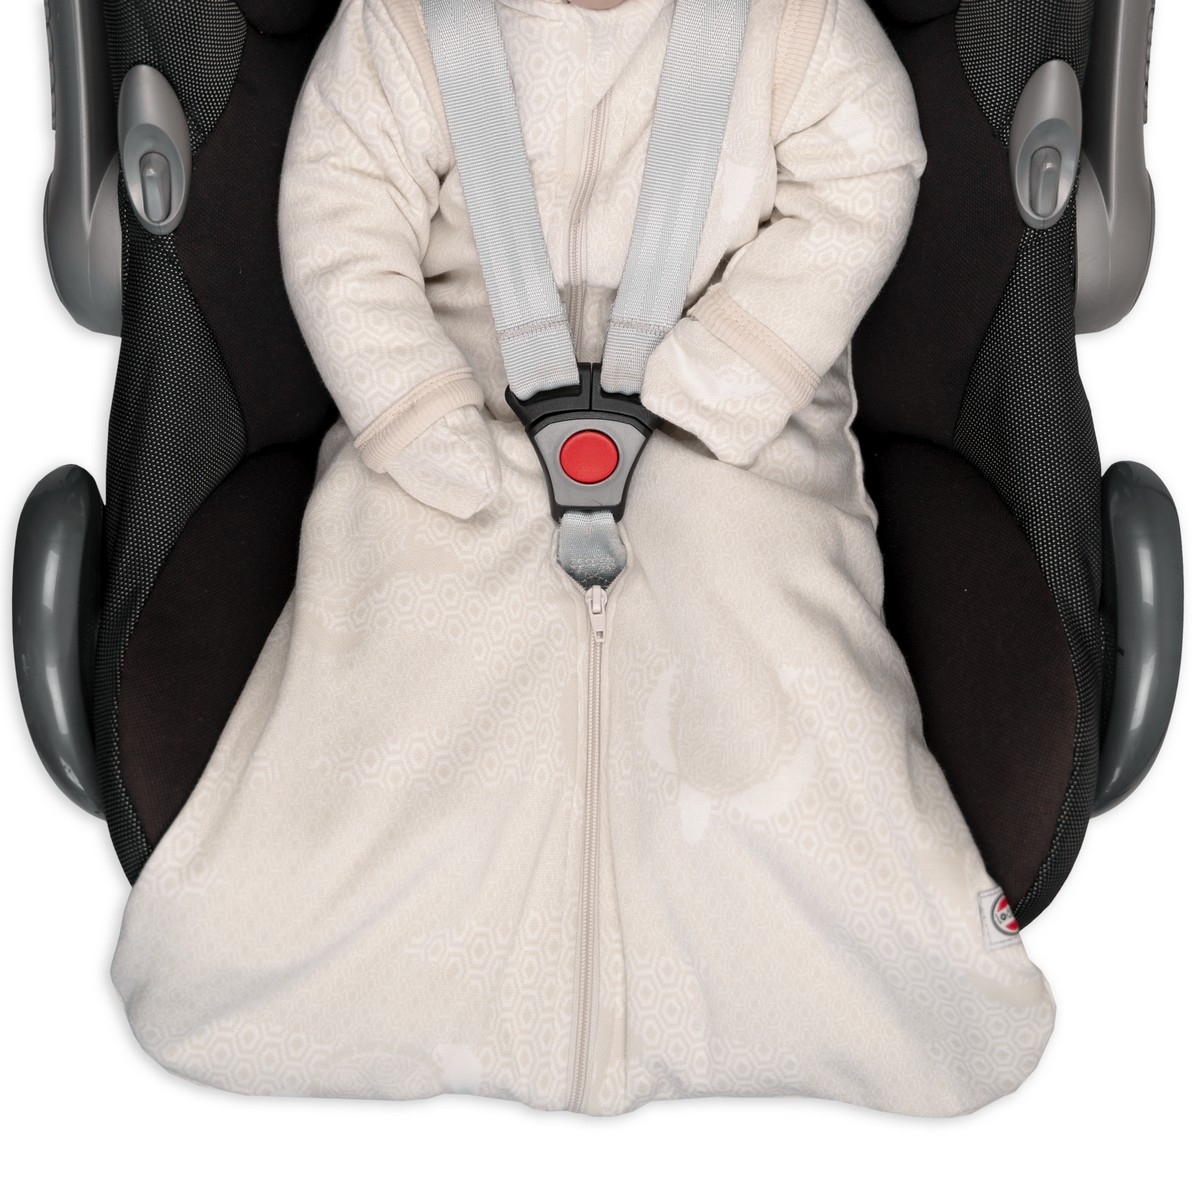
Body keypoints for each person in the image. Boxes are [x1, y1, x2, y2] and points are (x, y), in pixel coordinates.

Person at [112, 0, 1057, 1116]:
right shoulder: (405, 26)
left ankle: (836, 955)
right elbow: (340, 209)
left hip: (735, 408)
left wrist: (735, 369)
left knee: (765, 634)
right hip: (456, 395)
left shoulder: (796, 23)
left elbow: (864, 172)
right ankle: (360, 942)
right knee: (402, 620)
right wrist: (412, 406)